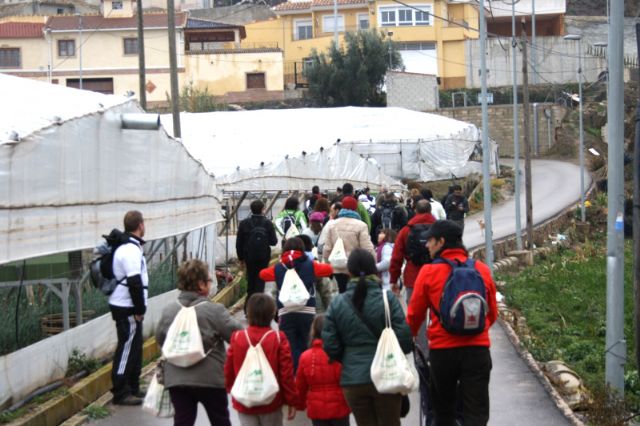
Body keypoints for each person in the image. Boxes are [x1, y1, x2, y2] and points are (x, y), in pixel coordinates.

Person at [407, 220, 498, 426]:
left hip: (442, 351)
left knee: (444, 411)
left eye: (430, 240)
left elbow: (415, 315)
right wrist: (475, 331)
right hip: (477, 350)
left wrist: (410, 338)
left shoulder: (428, 272)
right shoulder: (481, 270)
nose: (427, 245)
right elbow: (492, 312)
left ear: (441, 242)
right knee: (477, 412)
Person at [322, 249, 413, 426]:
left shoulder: (338, 303)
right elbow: (405, 340)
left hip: (354, 380)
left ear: (349, 272)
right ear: (375, 270)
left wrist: (349, 359)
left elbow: (330, 345)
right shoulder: (388, 299)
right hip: (388, 375)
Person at [156, 260, 243, 426]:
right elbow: (237, 336)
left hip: (177, 379)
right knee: (220, 420)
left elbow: (161, 339)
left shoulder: (169, 311)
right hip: (210, 379)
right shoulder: (214, 310)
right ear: (201, 285)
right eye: (209, 281)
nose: (210, 284)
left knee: (182, 422)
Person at [259, 237, 333, 370]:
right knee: (307, 345)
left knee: (289, 349)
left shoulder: (278, 268)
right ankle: (307, 373)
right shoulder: (311, 265)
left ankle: (294, 377)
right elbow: (328, 270)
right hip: (307, 313)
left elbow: (263, 275)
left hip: (285, 313)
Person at [224, 294, 299, 426]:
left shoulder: (237, 338)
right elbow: (286, 374)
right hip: (271, 401)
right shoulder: (278, 338)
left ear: (249, 313)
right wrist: (291, 400)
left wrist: (232, 389)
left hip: (245, 401)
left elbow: (228, 370)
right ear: (271, 314)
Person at [109, 210, 148, 405]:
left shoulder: (130, 247)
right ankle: (121, 392)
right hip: (127, 307)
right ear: (140, 225)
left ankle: (133, 386)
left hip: (126, 304)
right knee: (126, 348)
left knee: (134, 347)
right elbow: (134, 281)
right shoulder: (130, 250)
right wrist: (139, 309)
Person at [389, 200, 436, 351]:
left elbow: (396, 257)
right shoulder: (439, 229)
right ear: (430, 210)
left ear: (415, 210)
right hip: (437, 276)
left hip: (413, 277)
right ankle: (438, 348)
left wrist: (394, 280)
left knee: (417, 317)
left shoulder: (405, 231)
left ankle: (423, 352)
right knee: (438, 315)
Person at [295, 315, 351, 426]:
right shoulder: (341, 353)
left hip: (317, 410)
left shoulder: (305, 357)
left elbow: (300, 386)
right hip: (340, 408)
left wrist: (299, 404)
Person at [323, 196, 375, 293]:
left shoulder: (332, 225)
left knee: (341, 293)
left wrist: (328, 265)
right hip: (355, 268)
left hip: (337, 267)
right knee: (354, 295)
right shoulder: (361, 225)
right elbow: (367, 249)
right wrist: (373, 265)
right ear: (355, 208)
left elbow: (327, 248)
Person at [236, 199, 278, 312]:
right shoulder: (268, 223)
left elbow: (239, 243)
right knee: (260, 282)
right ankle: (258, 310)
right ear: (263, 209)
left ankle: (248, 309)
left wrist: (241, 258)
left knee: (251, 282)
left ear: (251, 209)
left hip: (249, 257)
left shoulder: (244, 223)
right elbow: (274, 241)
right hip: (263, 257)